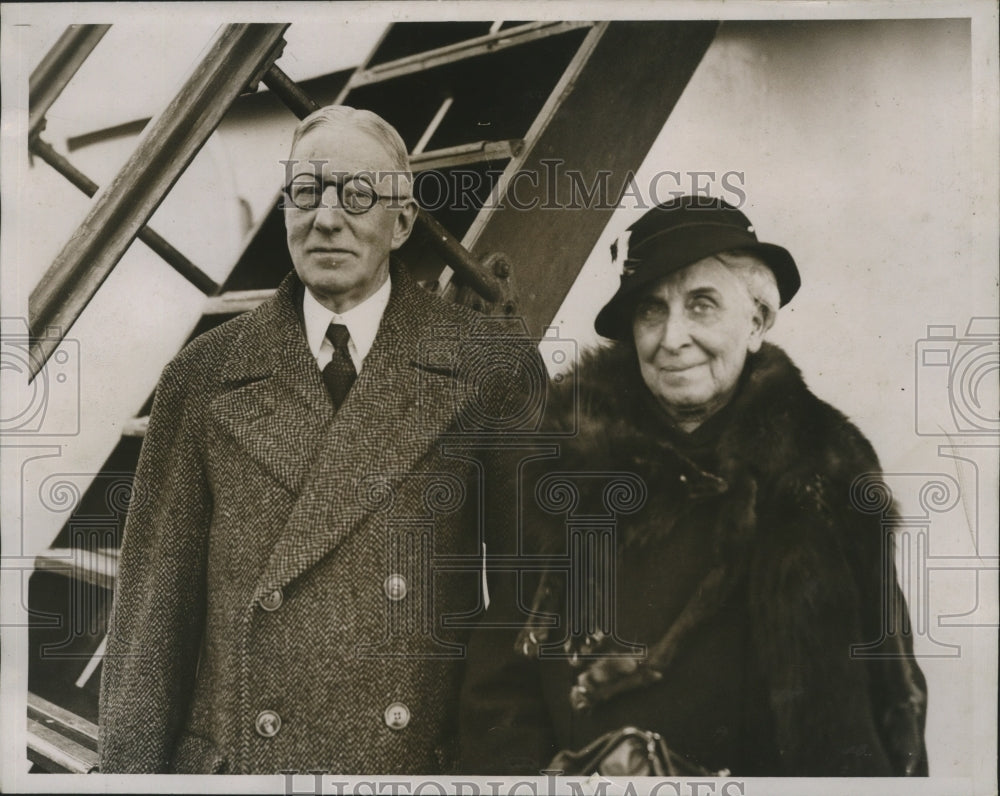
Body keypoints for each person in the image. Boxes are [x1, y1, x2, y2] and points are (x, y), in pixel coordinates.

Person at [100, 106, 537, 774]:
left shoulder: (489, 368)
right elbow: (150, 623)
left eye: (357, 194)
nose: (327, 217)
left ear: (403, 222)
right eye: (306, 192)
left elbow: (524, 605)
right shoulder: (203, 376)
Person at [458, 195, 929, 777]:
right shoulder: (566, 468)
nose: (672, 337)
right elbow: (498, 693)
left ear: (757, 322)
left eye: (701, 306)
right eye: (652, 311)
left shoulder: (825, 464)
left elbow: (893, 687)